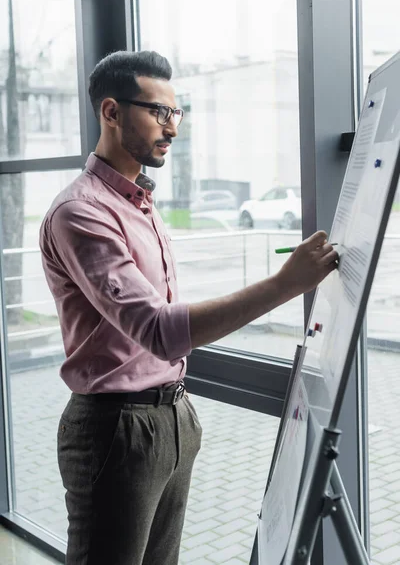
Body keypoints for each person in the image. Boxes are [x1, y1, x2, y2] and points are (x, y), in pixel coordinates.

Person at [39, 50, 338, 565]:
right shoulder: (80, 213)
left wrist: (181, 417)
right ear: (111, 112)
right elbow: (158, 329)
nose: (172, 128)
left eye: (176, 113)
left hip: (173, 416)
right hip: (116, 429)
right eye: (158, 112)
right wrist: (287, 284)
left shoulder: (138, 202)